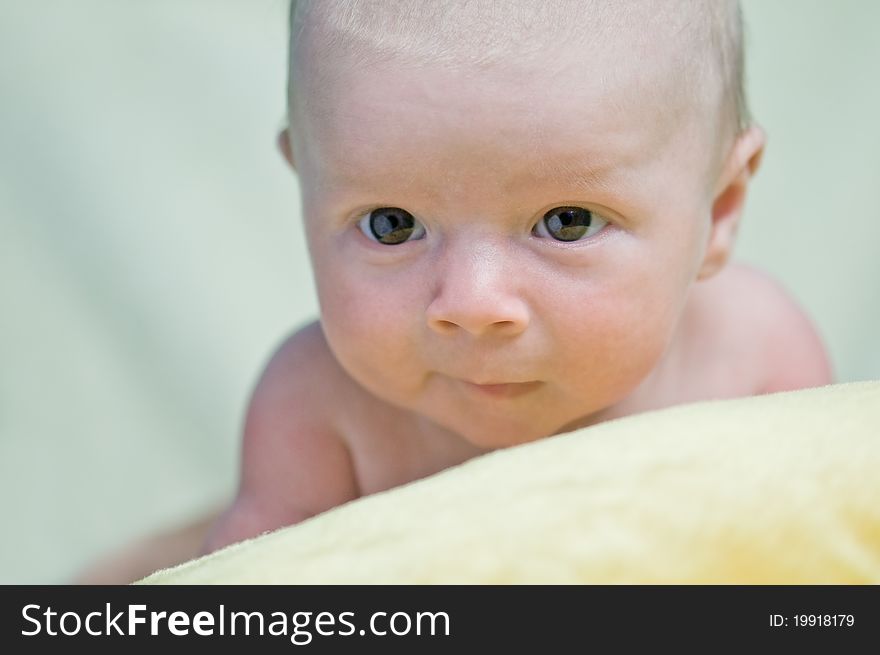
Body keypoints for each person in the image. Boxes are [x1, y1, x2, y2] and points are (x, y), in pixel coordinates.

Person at [75, 0, 832, 583]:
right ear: (307, 186)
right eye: (392, 222)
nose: (471, 303)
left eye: (565, 222)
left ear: (721, 206)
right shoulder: (320, 410)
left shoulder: (753, 356)